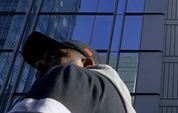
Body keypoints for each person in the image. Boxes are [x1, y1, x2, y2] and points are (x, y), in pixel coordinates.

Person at [8, 31, 136, 113]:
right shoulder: (115, 103)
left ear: (86, 63)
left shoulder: (72, 75)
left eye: (53, 56)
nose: (39, 64)